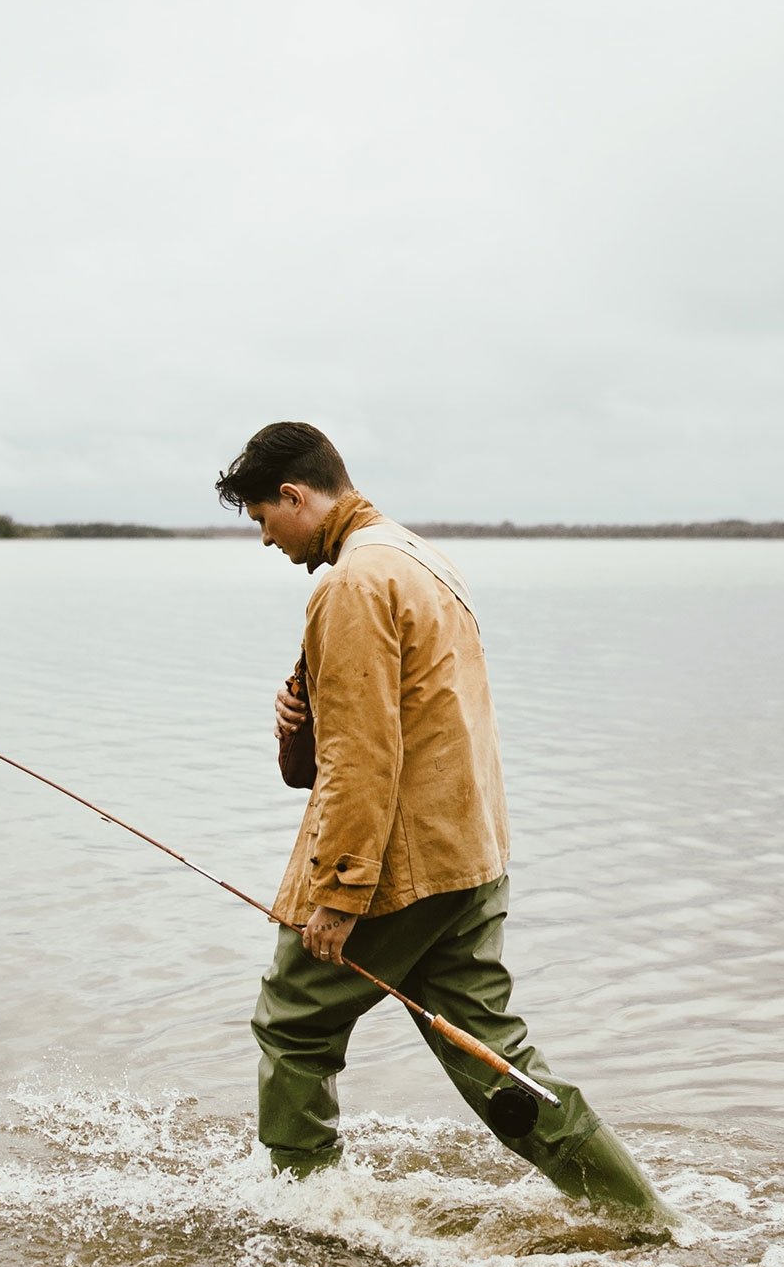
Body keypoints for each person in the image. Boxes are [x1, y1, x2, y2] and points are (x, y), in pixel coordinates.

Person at [214, 420, 670, 1217]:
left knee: (291, 1026)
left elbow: (364, 755)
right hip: (470, 853)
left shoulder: (352, 583)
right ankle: (642, 1218)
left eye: (261, 519)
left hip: (399, 868)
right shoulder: (423, 559)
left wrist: (339, 889)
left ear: (294, 496)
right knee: (496, 1056)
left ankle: (297, 1213)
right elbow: (404, 719)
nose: (263, 540)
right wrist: (300, 712)